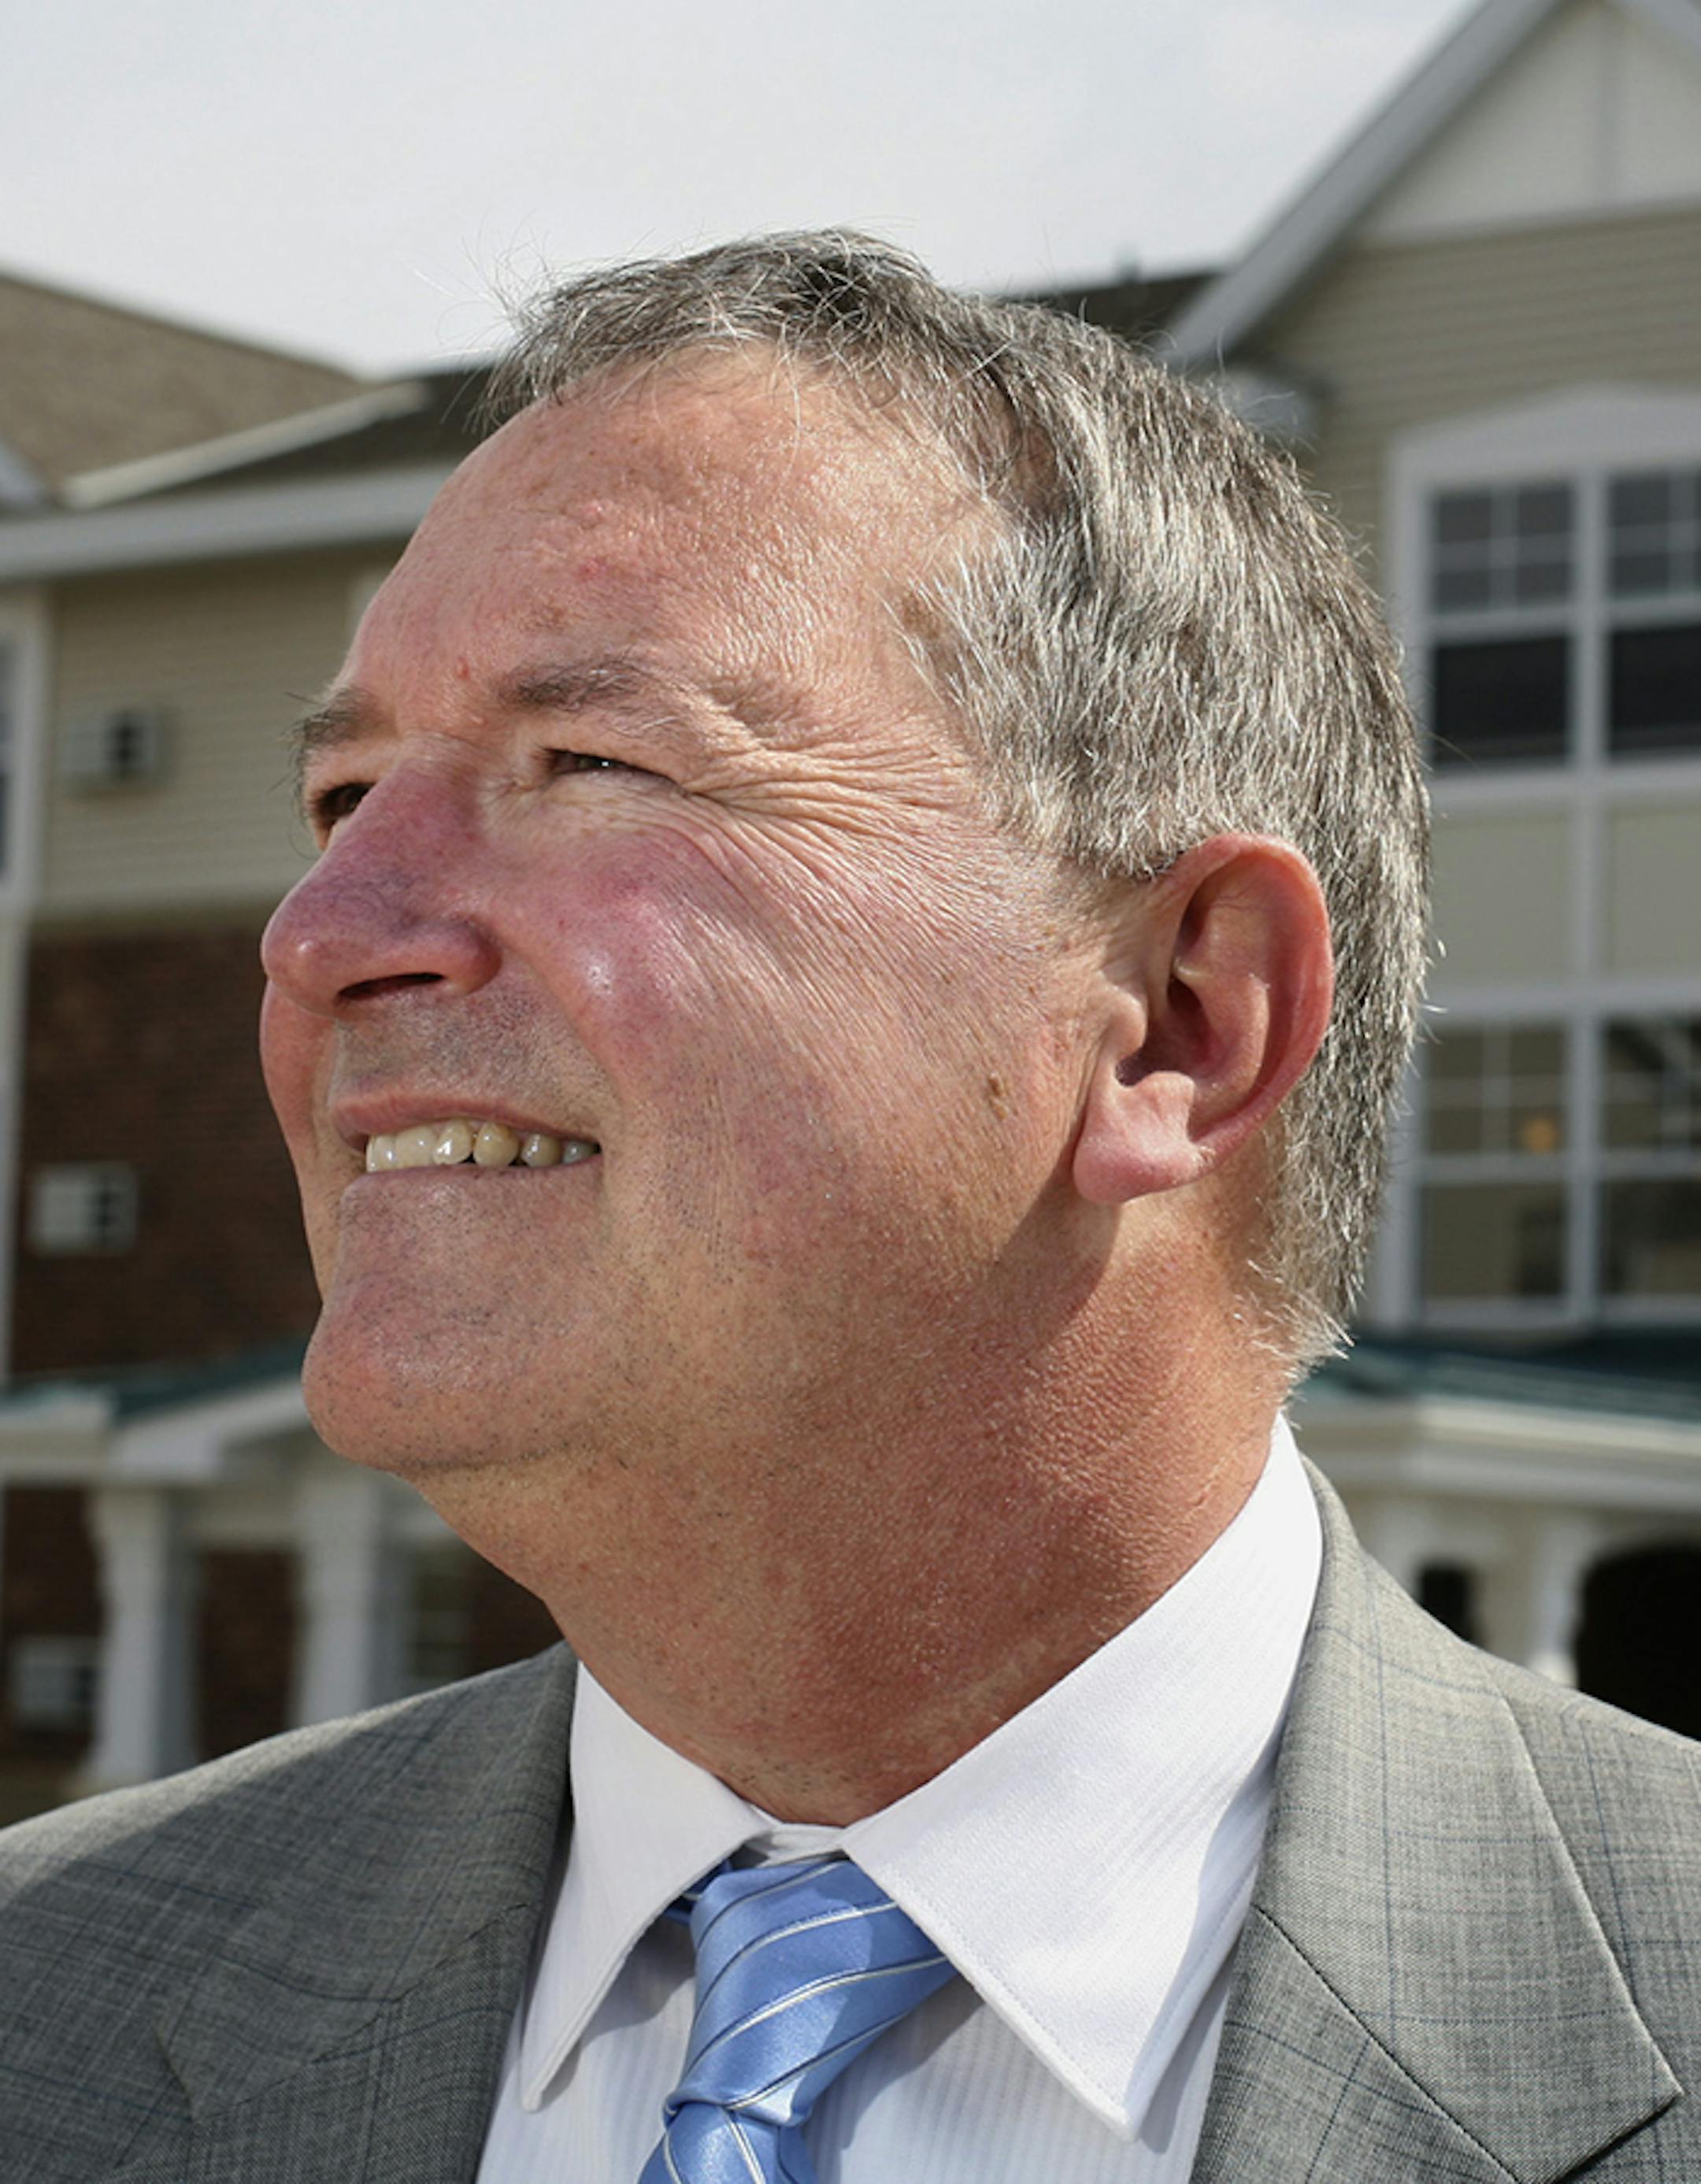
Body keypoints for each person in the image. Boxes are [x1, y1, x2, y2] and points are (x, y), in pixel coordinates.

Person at [2, 232, 1696, 2184]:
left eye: (593, 763)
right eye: (341, 797)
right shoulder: (42, 2003)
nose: (322, 936)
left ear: (1179, 1022)